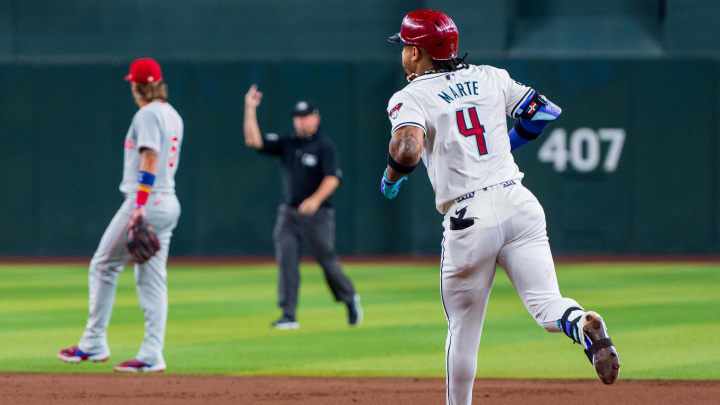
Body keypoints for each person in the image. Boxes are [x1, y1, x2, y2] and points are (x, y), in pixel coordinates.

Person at [380, 10, 619, 404]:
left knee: (463, 331)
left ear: (417, 53)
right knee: (547, 307)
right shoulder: (491, 76)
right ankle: (582, 323)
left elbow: (407, 148)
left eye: (406, 46)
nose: (403, 54)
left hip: (468, 218)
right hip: (518, 203)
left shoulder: (411, 96)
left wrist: (392, 175)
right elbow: (544, 111)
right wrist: (508, 143)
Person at [57, 58, 183, 373]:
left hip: (147, 201)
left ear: (136, 85)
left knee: (103, 265)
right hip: (169, 202)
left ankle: (93, 343)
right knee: (152, 279)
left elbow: (150, 157)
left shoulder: (147, 114)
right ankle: (152, 353)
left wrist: (139, 206)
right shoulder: (172, 114)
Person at [243, 85, 362, 329]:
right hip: (289, 213)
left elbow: (332, 178)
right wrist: (250, 108)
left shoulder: (324, 146)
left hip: (318, 214)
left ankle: (349, 298)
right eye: (297, 117)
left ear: (316, 118)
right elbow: (253, 140)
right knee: (286, 259)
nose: (300, 121)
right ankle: (288, 314)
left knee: (327, 261)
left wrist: (315, 199)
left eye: (304, 116)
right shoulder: (288, 143)